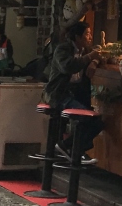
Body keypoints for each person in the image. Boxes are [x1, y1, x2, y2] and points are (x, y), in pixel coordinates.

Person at [43, 22, 102, 157]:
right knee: (86, 118)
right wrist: (90, 57)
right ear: (77, 37)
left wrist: (94, 62)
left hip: (75, 94)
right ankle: (73, 151)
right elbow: (68, 67)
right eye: (87, 34)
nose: (90, 37)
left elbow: (99, 52)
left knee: (98, 122)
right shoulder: (62, 49)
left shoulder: (85, 50)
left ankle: (70, 148)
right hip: (58, 94)